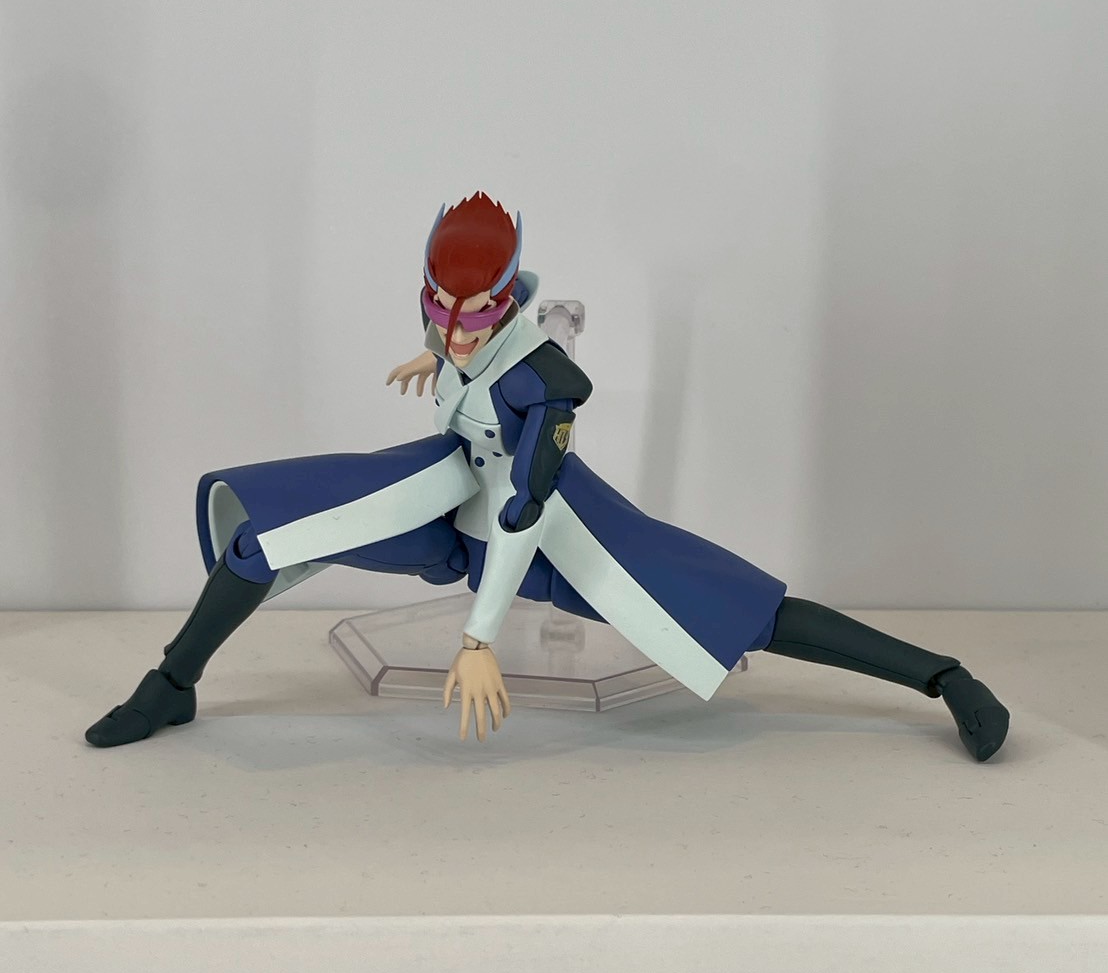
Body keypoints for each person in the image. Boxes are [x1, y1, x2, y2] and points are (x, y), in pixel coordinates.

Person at [85, 193, 1009, 759]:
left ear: (505, 303)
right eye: (439, 310)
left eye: (471, 317)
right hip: (443, 504)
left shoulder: (544, 386)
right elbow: (469, 334)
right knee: (269, 534)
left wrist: (479, 638)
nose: (455, 329)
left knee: (740, 609)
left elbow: (524, 510)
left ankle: (942, 676)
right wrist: (436, 357)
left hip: (547, 537)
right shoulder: (469, 324)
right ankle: (173, 683)